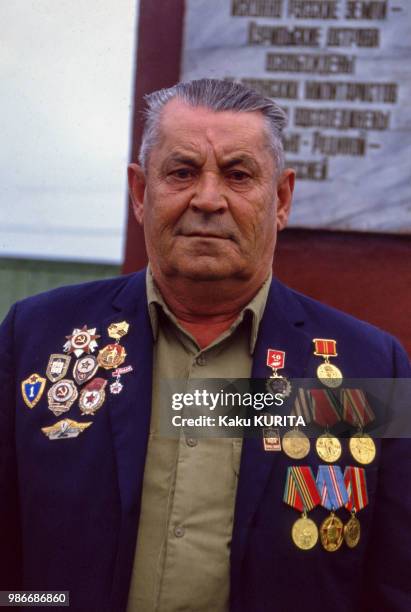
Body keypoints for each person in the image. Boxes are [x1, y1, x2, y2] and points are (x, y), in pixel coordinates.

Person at [0, 79, 410, 612]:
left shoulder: (368, 366)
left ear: (280, 199)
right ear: (141, 192)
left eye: (239, 175)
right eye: (182, 172)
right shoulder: (36, 337)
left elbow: (395, 588)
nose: (208, 199)